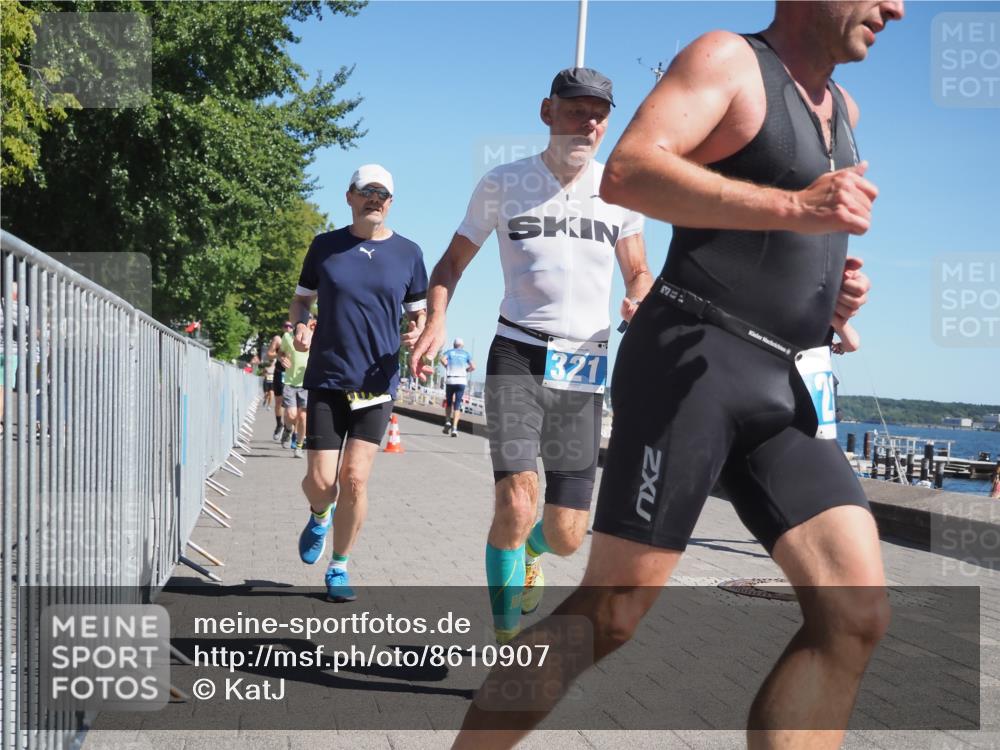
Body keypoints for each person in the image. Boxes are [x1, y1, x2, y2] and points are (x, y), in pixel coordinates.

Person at [453, 2, 898, 748]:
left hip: (788, 384)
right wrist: (795, 206)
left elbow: (795, 235)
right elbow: (628, 171)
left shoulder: (844, 109)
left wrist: (831, 298)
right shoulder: (729, 60)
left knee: (854, 614)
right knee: (613, 612)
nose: (897, 7)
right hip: (696, 365)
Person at [410, 67, 653, 643]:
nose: (589, 122)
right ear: (547, 112)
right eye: (576, 111)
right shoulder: (502, 183)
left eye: (599, 113)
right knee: (518, 504)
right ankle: (505, 644)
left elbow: (639, 270)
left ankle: (533, 554)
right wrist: (439, 316)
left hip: (585, 366)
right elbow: (449, 265)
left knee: (568, 533)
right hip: (517, 354)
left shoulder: (620, 189)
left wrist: (639, 296)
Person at [289, 164, 428, 602]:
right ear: (349, 196)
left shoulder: (409, 253)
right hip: (328, 377)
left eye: (382, 194)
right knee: (320, 482)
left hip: (377, 383)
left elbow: (418, 313)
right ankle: (318, 514)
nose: (375, 200)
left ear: (391, 203)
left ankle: (339, 567)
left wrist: (416, 330)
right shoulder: (325, 247)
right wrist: (299, 325)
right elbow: (300, 299)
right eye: (366, 192)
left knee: (354, 480)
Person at [279, 318, 311, 457]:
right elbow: (281, 352)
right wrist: (282, 359)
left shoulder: (313, 336)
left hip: (307, 383)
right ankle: (287, 429)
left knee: (303, 417)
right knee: (291, 415)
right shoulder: (287, 336)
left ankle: (298, 446)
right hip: (290, 382)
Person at [438, 337, 475, 436]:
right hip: (461, 380)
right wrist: (466, 370)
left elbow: (441, 359)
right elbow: (473, 366)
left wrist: (447, 365)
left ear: (454, 345)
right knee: (457, 405)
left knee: (449, 402)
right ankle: (454, 429)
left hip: (451, 380)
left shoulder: (450, 352)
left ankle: (447, 421)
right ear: (462, 346)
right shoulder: (466, 354)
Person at [266, 323, 292, 441]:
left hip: (292, 374)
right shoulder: (278, 339)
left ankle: (289, 429)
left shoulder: (296, 338)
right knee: (279, 401)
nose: (288, 328)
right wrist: (279, 355)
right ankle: (279, 425)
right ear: (282, 328)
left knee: (291, 404)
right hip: (279, 372)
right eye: (285, 326)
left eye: (290, 326)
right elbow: (269, 354)